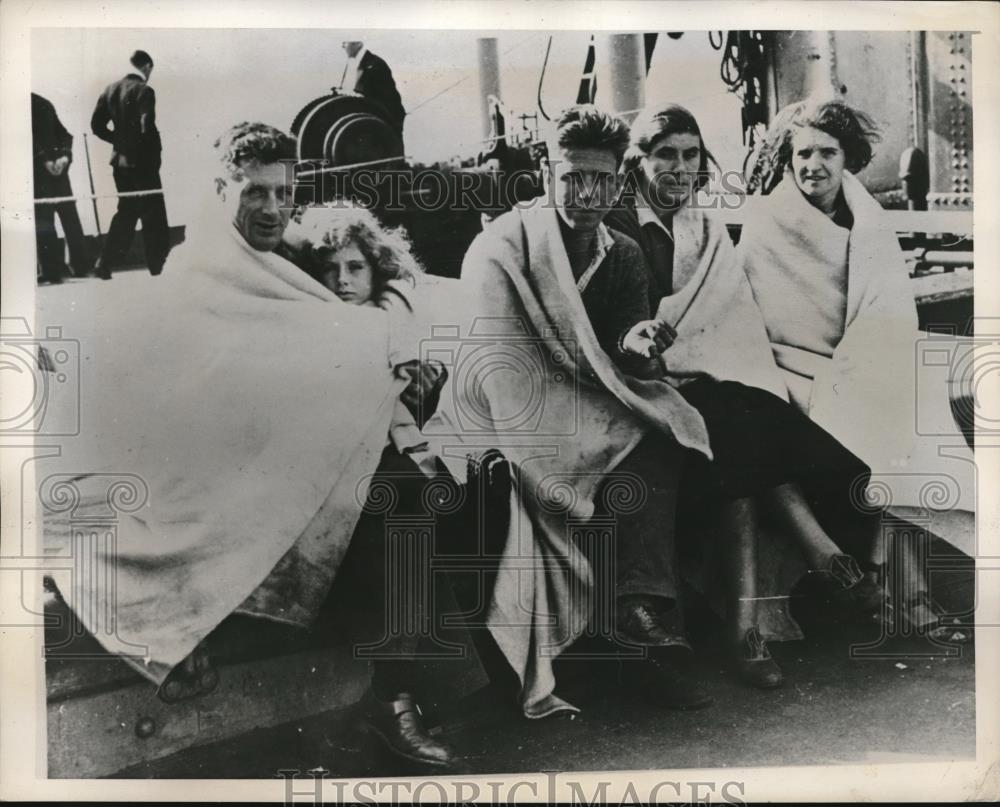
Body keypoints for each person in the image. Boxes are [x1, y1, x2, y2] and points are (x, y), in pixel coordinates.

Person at [41, 122, 457, 770]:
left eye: (283, 193)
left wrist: (391, 339)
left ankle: (392, 697)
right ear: (218, 189)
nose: (270, 209)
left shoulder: (290, 254)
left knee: (400, 490)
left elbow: (378, 285)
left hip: (290, 458)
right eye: (253, 192)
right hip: (217, 471)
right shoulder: (196, 274)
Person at [425, 105, 717, 718]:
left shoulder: (624, 255)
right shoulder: (499, 247)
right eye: (572, 175)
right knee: (581, 460)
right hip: (502, 408)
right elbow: (494, 363)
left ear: (620, 179)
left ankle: (641, 611)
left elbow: (618, 354)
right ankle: (641, 636)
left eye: (603, 179)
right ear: (546, 169)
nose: (587, 192)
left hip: (579, 402)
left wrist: (639, 348)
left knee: (667, 429)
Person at [605, 104, 882, 688]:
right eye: (665, 156)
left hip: (699, 379)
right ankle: (820, 559)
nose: (679, 169)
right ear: (639, 161)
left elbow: (724, 316)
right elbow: (613, 323)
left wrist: (698, 359)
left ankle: (749, 628)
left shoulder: (700, 227)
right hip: (630, 387)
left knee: (755, 421)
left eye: (690, 156)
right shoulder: (615, 225)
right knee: (736, 431)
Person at [740, 98, 976, 637]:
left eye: (827, 152)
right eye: (802, 153)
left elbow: (887, 311)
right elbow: (758, 322)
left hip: (854, 360)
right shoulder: (764, 223)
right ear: (786, 158)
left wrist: (862, 364)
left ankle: (889, 579)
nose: (813, 165)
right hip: (790, 370)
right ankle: (901, 592)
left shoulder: (867, 219)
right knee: (874, 414)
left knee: (906, 402)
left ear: (848, 157)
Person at [90, 49, 170, 278]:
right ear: (146, 67)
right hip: (143, 164)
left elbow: (96, 126)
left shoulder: (110, 89)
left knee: (126, 212)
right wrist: (152, 156)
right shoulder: (144, 91)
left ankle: (103, 263)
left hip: (119, 163)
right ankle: (159, 266)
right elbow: (147, 127)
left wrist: (120, 142)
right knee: (153, 214)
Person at [31, 92, 92, 283]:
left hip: (39, 175)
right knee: (70, 220)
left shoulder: (21, 103)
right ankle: (80, 266)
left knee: (45, 222)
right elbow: (64, 134)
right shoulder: (44, 102)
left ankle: (52, 271)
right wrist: (64, 157)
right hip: (59, 173)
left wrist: (44, 161)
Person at [339, 40, 405, 134]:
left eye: (345, 42)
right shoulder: (360, 63)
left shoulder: (375, 64)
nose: (343, 46)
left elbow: (387, 99)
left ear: (358, 44)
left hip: (385, 123)